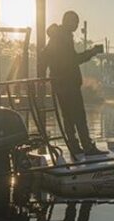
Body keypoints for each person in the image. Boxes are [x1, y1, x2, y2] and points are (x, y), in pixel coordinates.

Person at [42, 11, 106, 156]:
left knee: (68, 117)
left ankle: (74, 146)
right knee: (79, 116)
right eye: (75, 22)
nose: (76, 26)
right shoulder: (63, 37)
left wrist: (46, 75)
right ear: (67, 21)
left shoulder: (55, 37)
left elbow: (45, 55)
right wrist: (92, 52)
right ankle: (88, 147)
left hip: (59, 83)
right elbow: (73, 60)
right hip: (68, 83)